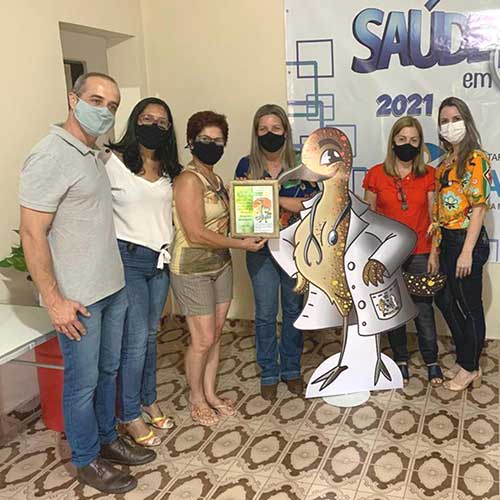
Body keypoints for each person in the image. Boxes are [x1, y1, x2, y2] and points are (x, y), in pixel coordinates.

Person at [19, 73, 154, 495]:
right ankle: (85, 458)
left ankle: (107, 439)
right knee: (83, 383)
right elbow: (32, 233)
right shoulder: (50, 155)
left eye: (112, 106)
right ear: (72, 100)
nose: (105, 111)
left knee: (108, 371)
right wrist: (54, 300)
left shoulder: (93, 154)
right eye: (96, 101)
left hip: (111, 288)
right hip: (79, 300)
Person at [170, 111, 265, 426]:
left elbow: (227, 223)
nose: (211, 145)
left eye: (218, 140)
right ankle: (196, 398)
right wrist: (241, 245)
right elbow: (195, 233)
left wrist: (249, 203)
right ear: (191, 141)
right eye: (204, 140)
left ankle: (210, 393)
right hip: (192, 267)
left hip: (220, 264)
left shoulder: (217, 180)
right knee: (202, 339)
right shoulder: (188, 180)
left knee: (216, 334)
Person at [105, 97, 181, 447]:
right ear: (135, 120)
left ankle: (148, 400)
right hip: (128, 260)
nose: (154, 125)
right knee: (134, 341)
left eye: (162, 122)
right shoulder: (112, 162)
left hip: (160, 261)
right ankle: (129, 413)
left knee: (151, 335)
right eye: (147, 118)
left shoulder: (169, 170)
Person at [234, 104, 317, 400]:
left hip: (293, 250)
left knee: (293, 311)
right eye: (263, 129)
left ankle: (292, 369)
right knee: (266, 313)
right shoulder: (246, 166)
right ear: (256, 133)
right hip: (259, 250)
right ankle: (269, 371)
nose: (270, 134)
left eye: (276, 128)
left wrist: (272, 196)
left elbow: (310, 204)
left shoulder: (302, 164)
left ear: (285, 131)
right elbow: (242, 206)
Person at [363, 116, 443, 386]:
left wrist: (435, 253)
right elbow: (369, 217)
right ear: (393, 142)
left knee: (423, 309)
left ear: (420, 144)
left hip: (421, 251)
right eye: (402, 139)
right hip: (388, 255)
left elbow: (434, 217)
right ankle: (401, 359)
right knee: (393, 309)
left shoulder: (429, 175)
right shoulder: (376, 174)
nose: (407, 144)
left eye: (413, 140)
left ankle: (431, 360)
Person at [429, 97, 491, 392]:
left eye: (455, 119)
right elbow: (439, 211)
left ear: (466, 121)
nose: (450, 125)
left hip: (467, 241)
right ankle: (467, 356)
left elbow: (478, 208)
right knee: (445, 300)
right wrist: (435, 249)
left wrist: (467, 252)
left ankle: (470, 367)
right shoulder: (444, 163)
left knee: (469, 306)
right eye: (444, 121)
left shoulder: (475, 159)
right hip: (446, 240)